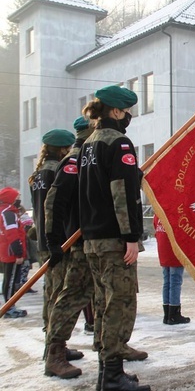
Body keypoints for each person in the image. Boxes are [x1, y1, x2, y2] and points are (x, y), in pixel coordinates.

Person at [78, 84, 151, 391]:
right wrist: (131, 236)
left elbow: (96, 187)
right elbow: (121, 194)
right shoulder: (119, 143)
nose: (129, 118)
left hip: (93, 238)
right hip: (113, 240)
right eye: (128, 112)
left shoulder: (88, 143)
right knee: (117, 305)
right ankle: (111, 376)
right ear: (117, 111)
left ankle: (106, 372)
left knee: (102, 303)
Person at [43, 116, 96, 379]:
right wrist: (52, 241)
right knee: (72, 297)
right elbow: (53, 202)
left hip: (96, 239)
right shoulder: (75, 161)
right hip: (79, 243)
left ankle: (112, 346)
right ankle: (54, 353)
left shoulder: (91, 157)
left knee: (99, 298)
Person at [29, 128, 75, 338]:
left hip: (43, 240)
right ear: (63, 149)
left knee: (51, 290)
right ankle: (54, 341)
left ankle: (50, 334)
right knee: (58, 292)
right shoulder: (56, 170)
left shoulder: (38, 174)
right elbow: (55, 206)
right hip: (57, 239)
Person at [154, 215, 190, 325]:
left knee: (167, 281)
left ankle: (167, 313)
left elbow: (155, 226)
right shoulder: (174, 212)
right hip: (174, 250)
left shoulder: (158, 212)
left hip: (163, 249)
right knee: (175, 281)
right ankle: (174, 314)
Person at [0, 187, 28, 318]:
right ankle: (9, 307)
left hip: (7, 250)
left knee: (9, 279)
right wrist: (18, 253)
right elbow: (12, 234)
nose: (18, 200)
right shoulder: (8, 213)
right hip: (11, 252)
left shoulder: (7, 212)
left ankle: (10, 305)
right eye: (16, 198)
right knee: (11, 280)